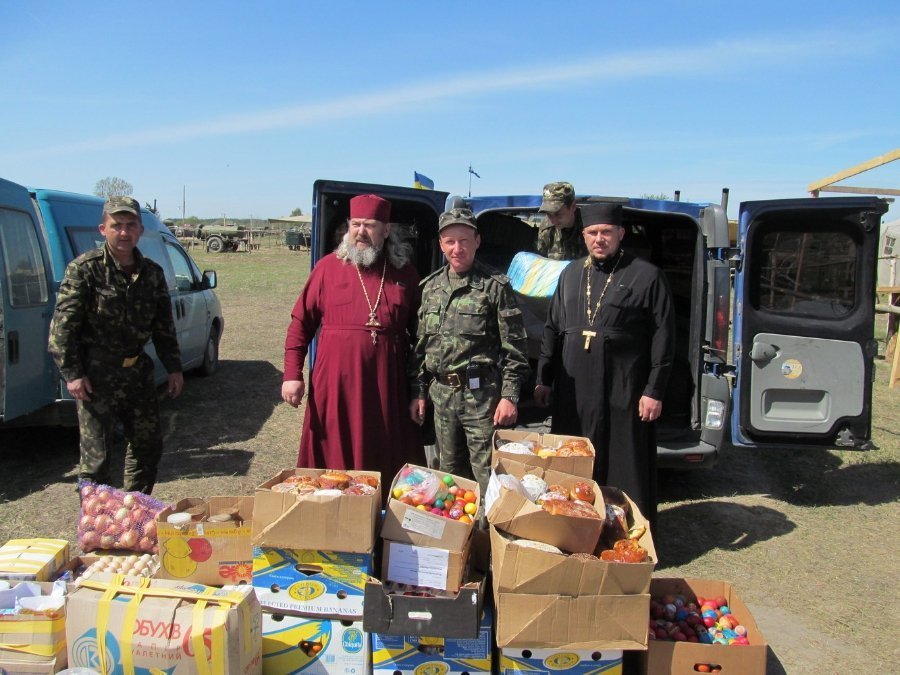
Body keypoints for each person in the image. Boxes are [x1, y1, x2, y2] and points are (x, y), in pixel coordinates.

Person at [534, 201, 674, 530]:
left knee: (622, 460)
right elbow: (552, 328)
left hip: (623, 390)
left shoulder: (647, 275)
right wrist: (544, 377)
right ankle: (572, 529)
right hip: (574, 392)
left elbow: (664, 336)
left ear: (620, 233)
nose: (599, 239)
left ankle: (627, 531)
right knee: (573, 459)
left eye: (606, 232)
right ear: (583, 235)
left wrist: (654, 390)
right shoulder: (570, 274)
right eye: (593, 232)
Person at [282, 194, 424, 484]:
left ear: (386, 230)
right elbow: (300, 324)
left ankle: (381, 508)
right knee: (333, 461)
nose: (361, 232)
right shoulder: (326, 269)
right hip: (336, 388)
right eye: (356, 224)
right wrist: (291, 375)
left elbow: (422, 340)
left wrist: (418, 392)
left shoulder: (405, 274)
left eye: (369, 225)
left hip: (387, 389)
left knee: (386, 457)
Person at [49, 195, 183, 494]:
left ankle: (135, 510)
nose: (124, 232)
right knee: (97, 459)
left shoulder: (152, 273)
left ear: (140, 230)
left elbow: (163, 327)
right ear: (103, 229)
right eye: (117, 225)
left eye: (131, 225)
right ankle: (97, 520)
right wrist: (73, 373)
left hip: (137, 373)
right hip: (97, 376)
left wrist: (174, 368)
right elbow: (62, 329)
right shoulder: (84, 269)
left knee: (148, 447)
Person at [409, 208, 530, 497]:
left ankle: (490, 526)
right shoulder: (429, 288)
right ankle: (457, 524)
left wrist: (509, 396)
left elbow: (515, 348)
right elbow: (421, 348)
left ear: (477, 241)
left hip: (481, 397)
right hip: (441, 396)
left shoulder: (495, 286)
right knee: (448, 474)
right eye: (450, 241)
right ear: (441, 244)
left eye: (464, 240)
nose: (457, 248)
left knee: (488, 474)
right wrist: (419, 391)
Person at [535, 181, 584, 261]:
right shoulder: (546, 229)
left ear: (573, 207)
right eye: (549, 214)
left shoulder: (590, 227)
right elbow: (542, 262)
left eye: (557, 214)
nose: (553, 221)